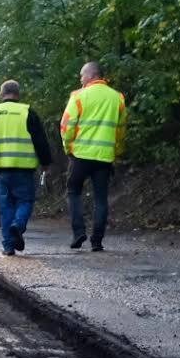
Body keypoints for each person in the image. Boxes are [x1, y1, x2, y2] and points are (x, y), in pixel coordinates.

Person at [0, 79, 53, 256]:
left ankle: (8, 247)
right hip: (24, 167)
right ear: (18, 94)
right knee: (25, 201)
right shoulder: (27, 112)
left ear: (1, 94)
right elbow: (40, 141)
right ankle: (18, 225)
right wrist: (46, 162)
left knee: (5, 207)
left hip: (0, 168)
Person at [59, 61, 127, 251]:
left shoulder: (78, 96)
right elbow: (121, 129)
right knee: (101, 199)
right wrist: (117, 151)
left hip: (81, 155)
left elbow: (66, 126)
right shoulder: (117, 98)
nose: (80, 79)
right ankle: (97, 241)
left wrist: (68, 147)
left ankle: (78, 232)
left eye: (82, 75)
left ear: (91, 75)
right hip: (104, 157)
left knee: (73, 191)